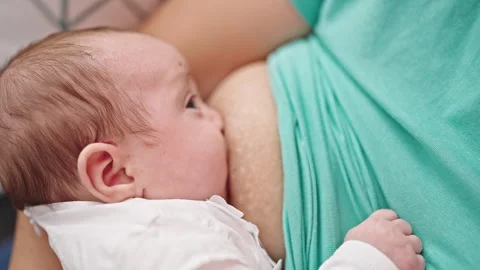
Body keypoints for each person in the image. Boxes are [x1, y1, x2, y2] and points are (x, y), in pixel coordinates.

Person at [9, 0, 480, 269]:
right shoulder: (167, 252)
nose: (217, 118)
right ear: (111, 172)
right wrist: (368, 259)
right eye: (191, 104)